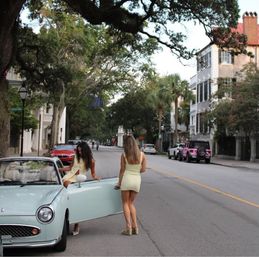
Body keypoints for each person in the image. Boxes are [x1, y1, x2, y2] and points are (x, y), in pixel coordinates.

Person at [61, 141, 100, 235]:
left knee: (76, 203)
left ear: (86, 151)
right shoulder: (75, 157)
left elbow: (93, 173)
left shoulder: (91, 160)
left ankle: (76, 224)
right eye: (78, 151)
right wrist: (59, 169)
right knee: (65, 195)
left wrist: (96, 178)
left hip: (80, 180)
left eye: (81, 151)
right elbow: (70, 168)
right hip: (69, 178)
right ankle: (64, 221)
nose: (79, 153)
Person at [116, 135, 146, 236]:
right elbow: (143, 170)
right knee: (131, 203)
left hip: (127, 179)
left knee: (125, 203)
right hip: (137, 180)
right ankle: (135, 227)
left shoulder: (124, 155)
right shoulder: (142, 155)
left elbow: (122, 170)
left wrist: (119, 183)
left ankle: (128, 228)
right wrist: (135, 171)